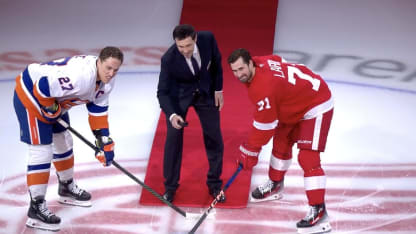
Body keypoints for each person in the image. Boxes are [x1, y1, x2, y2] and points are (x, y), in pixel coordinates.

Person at [13, 46, 123, 231]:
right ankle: (36, 206)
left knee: (63, 141)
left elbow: (97, 111)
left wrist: (103, 140)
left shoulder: (107, 82)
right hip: (32, 96)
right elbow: (42, 87)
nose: (111, 73)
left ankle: (66, 187)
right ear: (99, 62)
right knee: (42, 151)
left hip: (55, 100)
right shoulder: (81, 77)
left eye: (115, 70)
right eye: (108, 68)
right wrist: (49, 108)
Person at [228, 48, 333, 234]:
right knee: (281, 143)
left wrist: (249, 151)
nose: (239, 75)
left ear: (251, 63)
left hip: (316, 103)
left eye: (241, 69)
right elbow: (281, 61)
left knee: (308, 158)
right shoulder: (263, 60)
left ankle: (319, 211)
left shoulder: (262, 88)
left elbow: (264, 127)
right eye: (234, 71)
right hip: (295, 102)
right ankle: (275, 184)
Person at [157, 24, 225, 203]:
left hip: (205, 92)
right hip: (179, 96)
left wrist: (218, 89)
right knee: (173, 139)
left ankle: (215, 184)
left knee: (214, 137)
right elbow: (162, 92)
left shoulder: (207, 38)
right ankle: (170, 187)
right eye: (180, 47)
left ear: (195, 39)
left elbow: (217, 62)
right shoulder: (169, 59)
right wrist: (172, 115)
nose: (185, 50)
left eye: (188, 46)